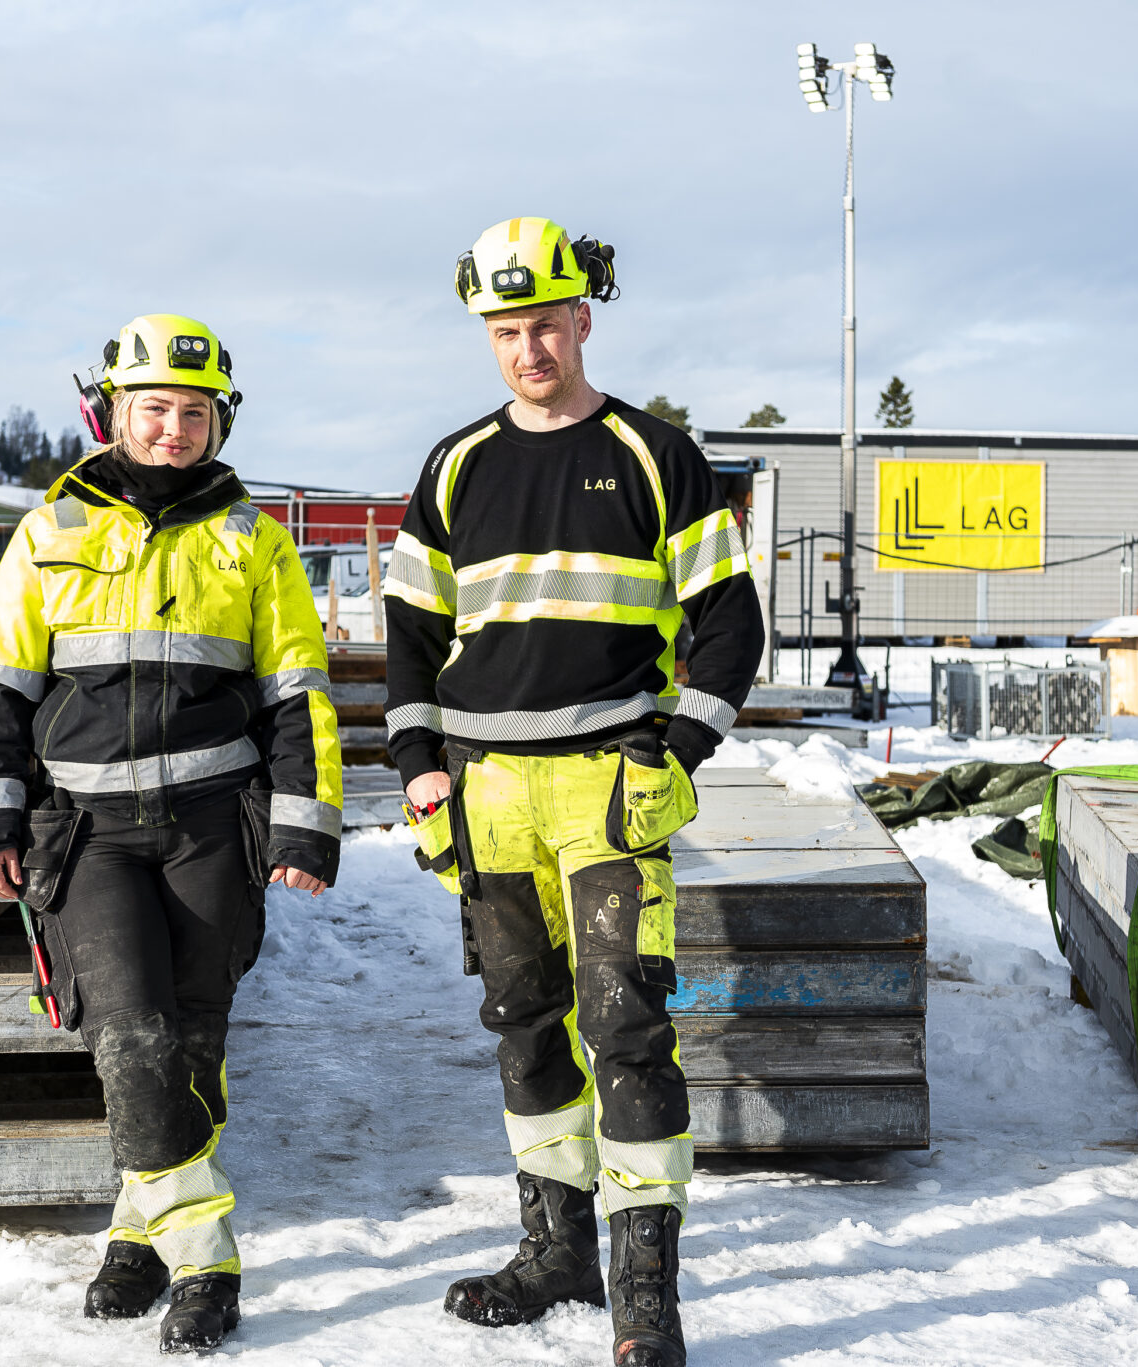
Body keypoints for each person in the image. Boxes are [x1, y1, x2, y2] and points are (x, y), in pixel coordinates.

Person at [383, 218, 764, 1367]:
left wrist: (675, 751)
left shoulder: (656, 453)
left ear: (583, 319)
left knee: (627, 1029)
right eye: (505, 329)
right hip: (486, 792)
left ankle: (645, 1297)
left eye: (544, 323)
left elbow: (731, 623)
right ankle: (554, 1251)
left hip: (605, 786)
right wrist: (418, 771)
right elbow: (407, 632)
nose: (526, 347)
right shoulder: (455, 465)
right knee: (522, 1025)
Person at [0, 314, 342, 1355]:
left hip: (213, 828)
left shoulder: (253, 540)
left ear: (220, 422)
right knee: (129, 1034)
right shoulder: (48, 530)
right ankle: (207, 1250)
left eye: (194, 412)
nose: (174, 428)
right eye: (154, 409)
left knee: (196, 1043)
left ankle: (135, 1232)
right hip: (86, 834)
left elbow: (296, 691)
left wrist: (303, 828)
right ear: (111, 413)